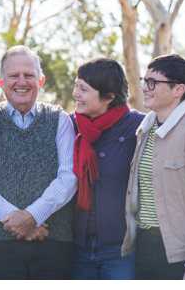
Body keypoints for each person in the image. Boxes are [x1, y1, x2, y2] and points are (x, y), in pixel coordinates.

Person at [0, 45, 77, 279]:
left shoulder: (60, 120)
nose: (21, 81)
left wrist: (33, 216)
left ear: (41, 80)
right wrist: (17, 220)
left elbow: (68, 178)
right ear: (1, 81)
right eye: (14, 76)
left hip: (52, 240)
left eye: (29, 75)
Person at [122, 55, 185, 279]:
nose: (145, 88)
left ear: (178, 89)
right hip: (147, 247)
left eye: (153, 83)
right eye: (144, 81)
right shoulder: (146, 128)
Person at [70, 58, 144, 279]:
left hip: (119, 250)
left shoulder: (138, 126)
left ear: (109, 97)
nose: (76, 94)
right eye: (76, 86)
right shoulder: (70, 125)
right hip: (78, 247)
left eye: (83, 89)